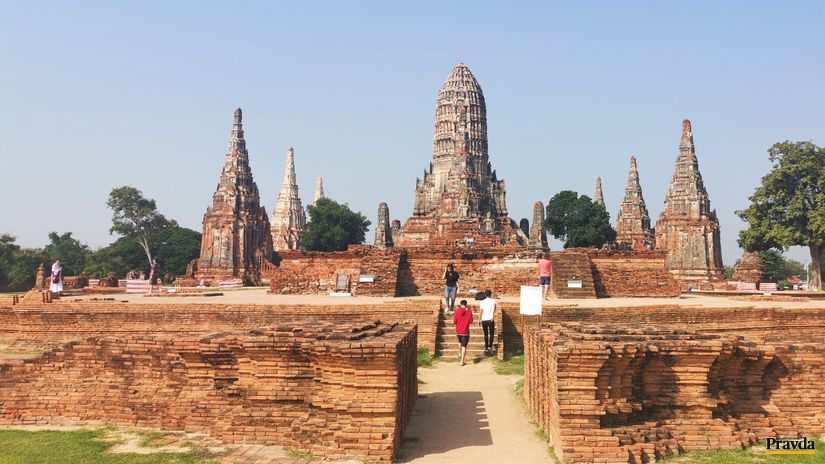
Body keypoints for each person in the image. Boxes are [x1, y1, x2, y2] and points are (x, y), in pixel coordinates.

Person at [453, 299, 473, 366]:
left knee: (459, 341)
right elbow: (471, 321)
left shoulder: (457, 311)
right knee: (464, 346)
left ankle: (459, 353)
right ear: (466, 304)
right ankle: (462, 361)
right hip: (465, 331)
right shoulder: (469, 311)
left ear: (461, 304)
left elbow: (454, 321)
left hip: (458, 330)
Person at [479, 289, 497, 355]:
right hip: (490, 319)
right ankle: (490, 346)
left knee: (485, 334)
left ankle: (486, 347)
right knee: (491, 333)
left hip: (484, 319)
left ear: (485, 295)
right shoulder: (493, 301)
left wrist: (479, 319)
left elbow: (481, 311)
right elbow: (495, 309)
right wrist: (492, 315)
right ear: (490, 294)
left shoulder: (482, 302)